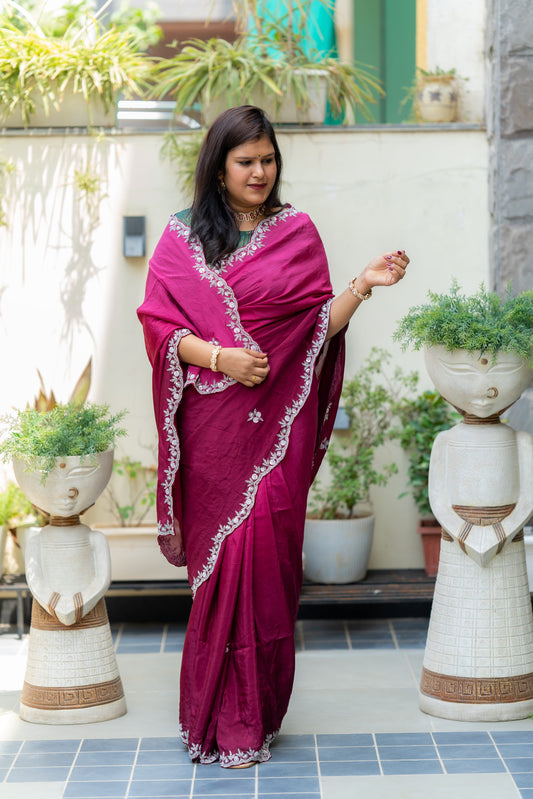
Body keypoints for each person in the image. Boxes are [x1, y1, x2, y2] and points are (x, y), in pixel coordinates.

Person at [137, 105, 408, 768]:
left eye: (267, 159)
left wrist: (363, 287)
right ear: (219, 166)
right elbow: (156, 326)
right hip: (214, 435)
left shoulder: (296, 233)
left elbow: (316, 328)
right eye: (245, 161)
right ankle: (210, 719)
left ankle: (251, 719)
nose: (259, 172)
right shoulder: (181, 238)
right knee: (222, 572)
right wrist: (220, 357)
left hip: (275, 435)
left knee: (265, 568)